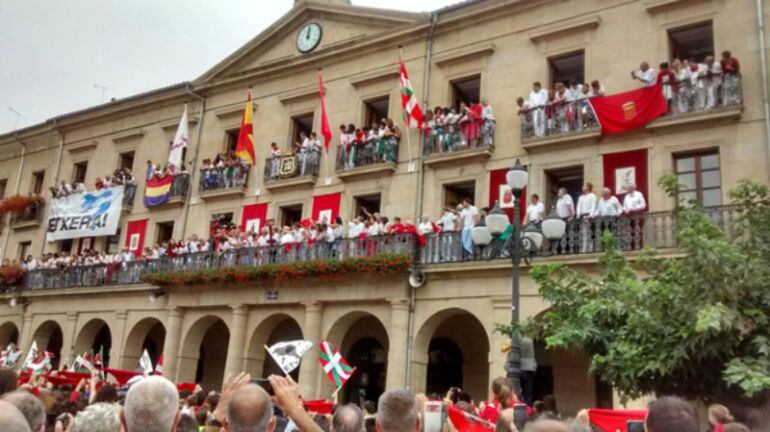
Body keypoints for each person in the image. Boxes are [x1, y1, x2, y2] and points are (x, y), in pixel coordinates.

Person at [576, 183, 597, 253]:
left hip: (588, 215)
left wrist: (591, 215)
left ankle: (589, 248)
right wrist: (578, 214)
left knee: (589, 232)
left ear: (588, 187)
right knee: (583, 233)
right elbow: (579, 206)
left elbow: (593, 205)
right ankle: (584, 248)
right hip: (582, 216)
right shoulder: (581, 197)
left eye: (584, 186)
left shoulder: (592, 195)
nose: (583, 188)